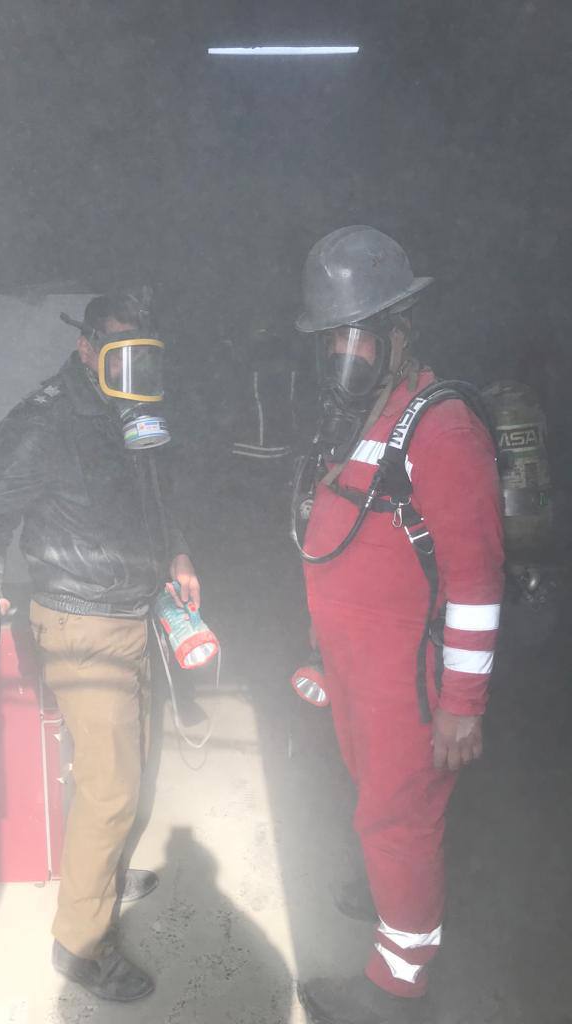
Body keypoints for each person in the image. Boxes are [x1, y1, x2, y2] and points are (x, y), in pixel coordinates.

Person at [0, 291, 199, 1003]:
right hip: (81, 623)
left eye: (143, 351)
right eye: (119, 350)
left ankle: (104, 878)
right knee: (111, 788)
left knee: (127, 772)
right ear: (87, 347)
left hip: (133, 613)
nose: (133, 364)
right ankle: (81, 946)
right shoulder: (44, 421)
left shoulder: (135, 410)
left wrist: (177, 553)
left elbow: (155, 497)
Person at [292, 227, 504, 1024]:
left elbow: (476, 580)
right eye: (331, 338)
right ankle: (394, 898)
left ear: (398, 330)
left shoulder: (441, 426)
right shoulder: (373, 415)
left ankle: (396, 988)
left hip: (409, 685)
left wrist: (461, 706)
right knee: (379, 807)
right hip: (361, 675)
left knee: (399, 821)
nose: (341, 353)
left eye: (355, 335)